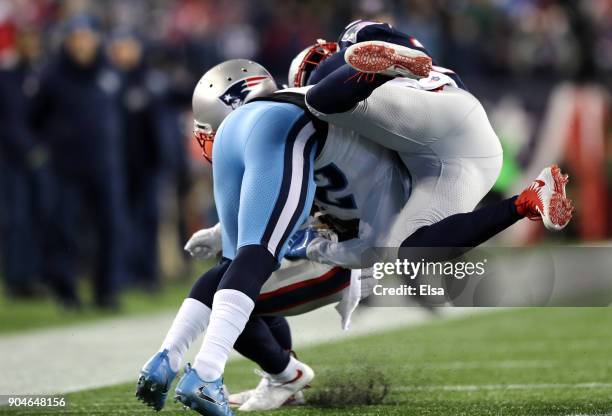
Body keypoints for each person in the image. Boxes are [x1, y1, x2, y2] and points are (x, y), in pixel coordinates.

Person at [29, 15, 125, 309]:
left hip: (105, 164)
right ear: (67, 41)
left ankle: (106, 291)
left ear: (96, 40)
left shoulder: (109, 72)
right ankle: (66, 292)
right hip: (66, 167)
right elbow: (34, 117)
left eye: (87, 37)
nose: (82, 44)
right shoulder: (51, 75)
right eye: (76, 38)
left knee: (111, 227)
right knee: (65, 229)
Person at [108, 29, 165, 290]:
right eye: (121, 47)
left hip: (148, 164)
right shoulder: (110, 82)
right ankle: (127, 273)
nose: (125, 53)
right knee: (122, 221)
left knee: (149, 219)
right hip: (119, 164)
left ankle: (149, 274)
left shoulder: (149, 81)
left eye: (129, 46)